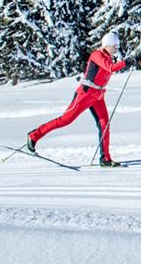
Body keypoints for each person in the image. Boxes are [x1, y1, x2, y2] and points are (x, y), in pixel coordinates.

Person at [27, 32, 132, 167]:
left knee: (104, 125)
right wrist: (126, 62)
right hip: (85, 94)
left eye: (117, 46)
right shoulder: (97, 55)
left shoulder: (108, 57)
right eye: (114, 46)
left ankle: (105, 159)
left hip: (98, 96)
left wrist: (127, 63)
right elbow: (110, 68)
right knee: (65, 120)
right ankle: (34, 136)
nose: (116, 49)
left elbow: (110, 68)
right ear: (107, 45)